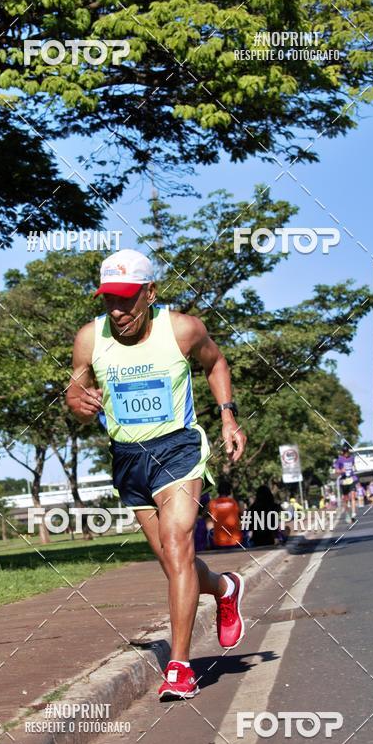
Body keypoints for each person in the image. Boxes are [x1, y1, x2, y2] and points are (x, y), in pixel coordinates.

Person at [66, 249, 247, 701]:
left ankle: (180, 667)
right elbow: (76, 392)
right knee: (172, 562)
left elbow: (216, 364)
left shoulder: (183, 329)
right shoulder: (89, 338)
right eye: (110, 299)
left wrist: (227, 417)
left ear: (150, 293)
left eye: (127, 299)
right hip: (128, 458)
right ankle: (225, 587)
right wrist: (77, 403)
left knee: (178, 543)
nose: (118, 310)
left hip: (177, 449)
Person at [208, 479, 243, 548]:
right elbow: (242, 516)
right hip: (235, 540)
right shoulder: (235, 502)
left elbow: (204, 516)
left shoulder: (212, 503)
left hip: (218, 542)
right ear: (229, 491)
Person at [334, 444, 359, 524]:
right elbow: (336, 471)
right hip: (344, 481)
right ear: (342, 452)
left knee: (353, 495)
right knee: (345, 499)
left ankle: (353, 513)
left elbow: (353, 466)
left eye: (347, 451)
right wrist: (341, 471)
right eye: (344, 452)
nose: (346, 453)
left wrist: (354, 470)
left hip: (351, 479)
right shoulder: (339, 459)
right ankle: (347, 514)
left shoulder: (352, 458)